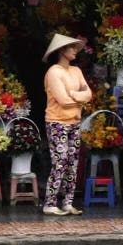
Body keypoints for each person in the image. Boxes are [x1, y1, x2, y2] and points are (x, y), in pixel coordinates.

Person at [41, 33, 91, 216]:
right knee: (60, 162)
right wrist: (79, 97)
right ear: (62, 50)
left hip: (74, 123)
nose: (75, 51)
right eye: (72, 48)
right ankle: (50, 203)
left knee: (72, 162)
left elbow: (89, 93)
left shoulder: (76, 71)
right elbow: (63, 101)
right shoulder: (54, 72)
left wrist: (74, 94)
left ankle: (67, 202)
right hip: (57, 123)